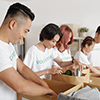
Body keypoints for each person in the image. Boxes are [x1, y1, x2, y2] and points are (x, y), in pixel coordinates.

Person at [0, 2, 57, 100]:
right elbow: (20, 85)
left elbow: (22, 68)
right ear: (13, 24)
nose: (25, 36)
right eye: (25, 31)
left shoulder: (9, 45)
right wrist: (48, 91)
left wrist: (41, 83)